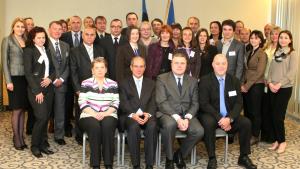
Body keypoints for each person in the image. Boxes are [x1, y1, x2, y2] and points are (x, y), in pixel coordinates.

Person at [199, 54, 257, 169]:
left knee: (246, 123)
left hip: (228, 115)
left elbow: (239, 103)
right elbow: (204, 103)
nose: (221, 66)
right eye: (218, 63)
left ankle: (243, 157)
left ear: (227, 65)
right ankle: (212, 158)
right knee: (208, 123)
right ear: (213, 65)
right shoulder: (205, 80)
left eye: (223, 63)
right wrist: (221, 119)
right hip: (211, 115)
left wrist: (229, 119)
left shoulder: (234, 80)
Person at [156, 52, 204, 169]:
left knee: (198, 131)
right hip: (168, 113)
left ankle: (180, 154)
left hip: (187, 113)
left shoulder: (192, 81)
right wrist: (177, 118)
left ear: (186, 65)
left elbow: (195, 103)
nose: (179, 65)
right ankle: (169, 158)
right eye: (176, 63)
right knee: (170, 125)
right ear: (171, 64)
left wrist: (187, 117)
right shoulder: (162, 79)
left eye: (182, 63)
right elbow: (161, 102)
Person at [78, 58, 119, 169]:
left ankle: (108, 163)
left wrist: (105, 113)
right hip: (88, 114)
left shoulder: (113, 84)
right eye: (96, 68)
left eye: (102, 67)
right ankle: (95, 163)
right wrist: (95, 114)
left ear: (106, 70)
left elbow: (116, 103)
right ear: (92, 70)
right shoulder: (85, 83)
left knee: (108, 125)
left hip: (109, 113)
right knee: (94, 126)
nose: (99, 70)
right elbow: (82, 102)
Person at [119, 56, 157, 169]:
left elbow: (154, 102)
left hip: (147, 115)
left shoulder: (151, 83)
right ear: (131, 67)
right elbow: (123, 103)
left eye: (141, 66)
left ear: (145, 68)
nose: (138, 69)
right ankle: (136, 164)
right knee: (134, 126)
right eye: (136, 66)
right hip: (129, 115)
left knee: (152, 126)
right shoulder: (123, 83)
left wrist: (148, 114)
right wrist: (133, 114)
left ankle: (149, 164)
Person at [24, 26, 56, 158]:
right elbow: (28, 73)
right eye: (39, 37)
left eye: (43, 37)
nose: (42, 39)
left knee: (46, 117)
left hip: (49, 89)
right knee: (41, 117)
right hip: (36, 90)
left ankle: (43, 144)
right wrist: (37, 91)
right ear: (33, 39)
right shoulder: (29, 51)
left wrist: (50, 78)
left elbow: (54, 70)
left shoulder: (47, 50)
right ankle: (35, 146)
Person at [70, 26, 105, 145]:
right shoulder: (75, 51)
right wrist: (77, 89)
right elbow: (73, 71)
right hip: (82, 87)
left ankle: (94, 133)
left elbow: (104, 68)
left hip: (98, 85)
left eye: (92, 35)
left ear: (95, 36)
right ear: (82, 35)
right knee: (81, 110)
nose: (90, 37)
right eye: (87, 34)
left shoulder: (100, 49)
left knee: (96, 108)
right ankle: (80, 136)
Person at [267, 30, 297, 154]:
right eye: (281, 37)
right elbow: (270, 70)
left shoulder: (293, 54)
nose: (283, 40)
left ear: (290, 40)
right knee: (272, 115)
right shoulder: (276, 52)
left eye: (286, 38)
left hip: (284, 88)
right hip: (272, 87)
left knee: (278, 116)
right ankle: (276, 140)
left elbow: (292, 72)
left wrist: (279, 84)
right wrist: (269, 83)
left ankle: (283, 141)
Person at [1, 17, 29, 150]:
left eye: (22, 26)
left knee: (23, 109)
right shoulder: (7, 40)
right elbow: (4, 62)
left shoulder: (27, 40)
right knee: (16, 109)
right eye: (18, 26)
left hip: (26, 79)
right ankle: (16, 137)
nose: (20, 29)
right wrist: (8, 81)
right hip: (14, 78)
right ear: (13, 27)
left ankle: (22, 136)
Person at [241, 30, 267, 145]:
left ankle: (255, 135)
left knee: (255, 112)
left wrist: (246, 86)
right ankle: (248, 132)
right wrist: (243, 84)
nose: (253, 40)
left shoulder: (262, 54)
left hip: (256, 85)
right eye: (251, 38)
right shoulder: (249, 52)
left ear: (260, 40)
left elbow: (259, 72)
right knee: (248, 111)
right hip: (247, 85)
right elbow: (245, 70)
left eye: (256, 38)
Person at [48, 21, 70, 145]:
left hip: (61, 83)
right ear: (49, 30)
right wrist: (54, 78)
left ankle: (59, 135)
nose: (57, 31)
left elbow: (68, 65)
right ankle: (43, 136)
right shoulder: (44, 45)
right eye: (54, 28)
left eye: (59, 29)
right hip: (48, 83)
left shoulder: (65, 45)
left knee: (60, 110)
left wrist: (61, 79)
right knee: (45, 112)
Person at [60, 15, 83, 138]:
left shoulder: (86, 35)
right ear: (70, 24)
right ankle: (67, 127)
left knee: (81, 104)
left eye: (78, 22)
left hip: (82, 77)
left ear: (81, 24)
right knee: (67, 104)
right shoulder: (64, 36)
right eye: (73, 22)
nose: (76, 24)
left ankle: (81, 128)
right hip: (68, 77)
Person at [261, 26, 281, 143]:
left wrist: (270, 81)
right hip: (264, 80)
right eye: (272, 34)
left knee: (275, 111)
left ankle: (275, 137)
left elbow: (279, 67)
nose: (274, 36)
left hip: (274, 82)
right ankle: (267, 136)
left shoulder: (281, 49)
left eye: (277, 34)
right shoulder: (267, 46)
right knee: (266, 109)